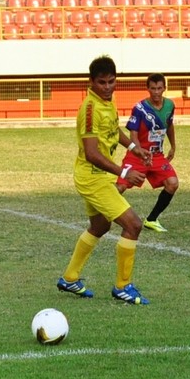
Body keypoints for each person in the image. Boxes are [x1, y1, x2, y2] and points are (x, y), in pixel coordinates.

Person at [57, 55, 153, 305]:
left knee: (100, 226)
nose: (107, 87)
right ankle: (122, 286)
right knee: (133, 225)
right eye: (102, 83)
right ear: (91, 82)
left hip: (97, 177)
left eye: (111, 82)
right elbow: (91, 153)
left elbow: (113, 130)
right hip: (92, 178)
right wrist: (124, 172)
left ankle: (69, 278)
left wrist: (135, 147)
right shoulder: (89, 109)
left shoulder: (108, 102)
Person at [116, 73, 179, 233]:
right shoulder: (139, 109)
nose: (156, 92)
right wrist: (138, 152)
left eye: (159, 88)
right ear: (148, 89)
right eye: (153, 88)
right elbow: (133, 133)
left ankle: (151, 219)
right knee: (120, 187)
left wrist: (173, 146)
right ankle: (104, 215)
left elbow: (169, 125)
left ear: (164, 88)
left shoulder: (170, 105)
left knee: (172, 183)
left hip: (156, 155)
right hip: (137, 155)